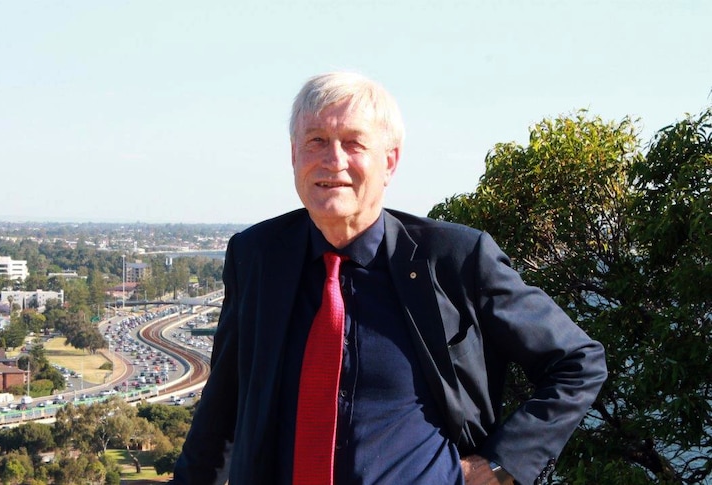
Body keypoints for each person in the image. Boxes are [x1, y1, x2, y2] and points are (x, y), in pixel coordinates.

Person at [172, 72, 607, 485]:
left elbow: (577, 362)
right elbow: (222, 408)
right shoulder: (257, 255)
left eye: (353, 143)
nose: (333, 161)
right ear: (294, 155)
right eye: (316, 141)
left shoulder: (454, 259)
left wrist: (501, 462)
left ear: (390, 162)